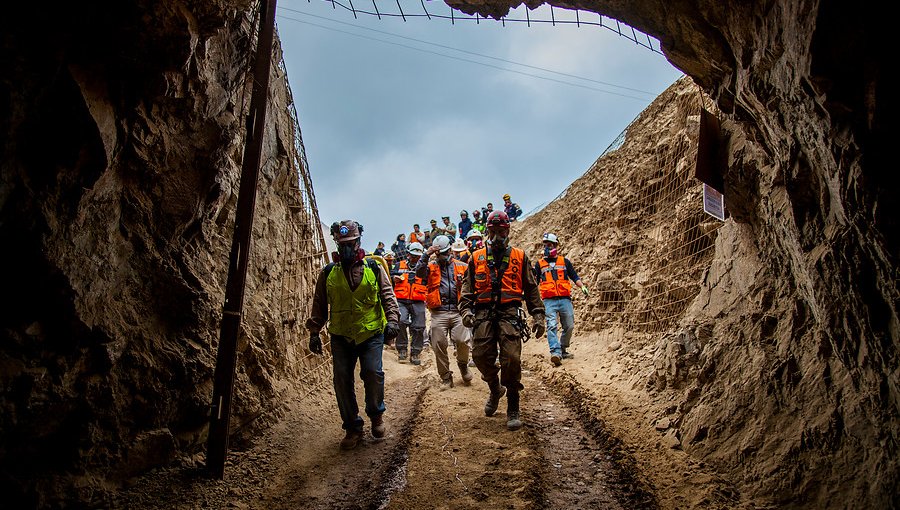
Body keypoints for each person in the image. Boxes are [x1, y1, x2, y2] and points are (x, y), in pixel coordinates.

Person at [306, 220, 400, 450]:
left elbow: (388, 296)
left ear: (358, 242)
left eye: (350, 243)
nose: (346, 248)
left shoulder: (374, 268)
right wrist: (315, 332)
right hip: (341, 335)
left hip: (370, 333)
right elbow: (319, 303)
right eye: (342, 244)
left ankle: (376, 415)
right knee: (341, 379)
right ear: (337, 245)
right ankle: (352, 427)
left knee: (372, 372)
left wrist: (393, 321)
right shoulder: (328, 272)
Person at [459, 211, 545, 431]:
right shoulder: (475, 257)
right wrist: (466, 310)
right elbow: (467, 288)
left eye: (501, 231)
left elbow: (531, 287)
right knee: (479, 356)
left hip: (509, 313)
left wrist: (538, 315)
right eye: (493, 231)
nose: (497, 236)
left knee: (512, 359)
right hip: (483, 314)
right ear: (488, 231)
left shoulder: (520, 256)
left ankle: (513, 406)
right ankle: (495, 388)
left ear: (508, 231)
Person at [416, 235, 474, 389]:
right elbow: (419, 273)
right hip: (438, 312)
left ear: (450, 251)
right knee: (438, 344)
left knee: (463, 340)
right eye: (439, 254)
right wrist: (425, 254)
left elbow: (471, 287)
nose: (442, 256)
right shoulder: (430, 266)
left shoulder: (462, 266)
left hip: (458, 311)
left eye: (444, 253)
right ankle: (446, 377)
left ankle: (463, 365)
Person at [533, 233, 589, 366]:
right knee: (551, 326)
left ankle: (563, 348)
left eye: (550, 245)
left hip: (564, 299)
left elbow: (574, 276)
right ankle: (555, 352)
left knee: (569, 325)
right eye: (545, 245)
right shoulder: (539, 264)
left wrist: (582, 287)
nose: (547, 247)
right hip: (548, 301)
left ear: (556, 245)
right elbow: (534, 282)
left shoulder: (564, 262)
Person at [392, 241, 428, 365]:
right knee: (401, 321)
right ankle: (402, 349)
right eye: (413, 256)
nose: (415, 258)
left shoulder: (424, 267)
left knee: (419, 326)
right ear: (408, 254)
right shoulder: (398, 265)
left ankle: (416, 352)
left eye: (418, 257)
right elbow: (389, 279)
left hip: (418, 300)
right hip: (401, 300)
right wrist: (394, 278)